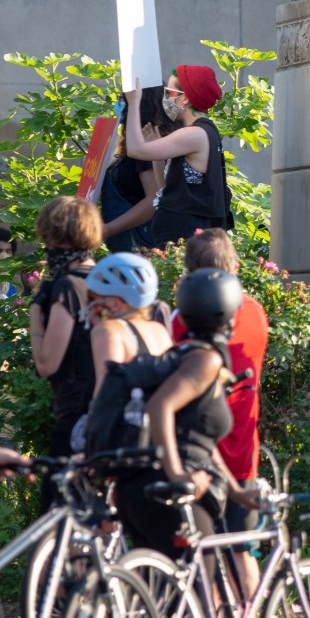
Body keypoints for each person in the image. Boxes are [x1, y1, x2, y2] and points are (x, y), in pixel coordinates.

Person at [115, 267, 258, 569]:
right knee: (204, 596)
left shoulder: (185, 356)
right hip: (171, 491)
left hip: (140, 489)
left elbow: (198, 440)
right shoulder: (205, 360)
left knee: (163, 602)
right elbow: (159, 407)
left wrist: (235, 492)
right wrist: (177, 474)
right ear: (228, 314)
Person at [171, 229, 268, 597]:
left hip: (197, 453)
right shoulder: (256, 313)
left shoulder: (181, 322)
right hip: (243, 450)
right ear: (235, 268)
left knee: (205, 556)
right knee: (243, 552)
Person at [28, 196, 102, 509]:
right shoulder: (106, 280)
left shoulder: (69, 287)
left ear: (58, 238)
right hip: (109, 419)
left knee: (56, 524)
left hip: (75, 419)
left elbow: (46, 363)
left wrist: (35, 309)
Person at [125, 65, 228, 247]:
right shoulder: (199, 132)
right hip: (179, 234)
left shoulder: (194, 134)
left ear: (185, 98)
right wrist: (156, 155)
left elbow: (135, 150)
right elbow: (165, 187)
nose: (165, 98)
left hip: (183, 237)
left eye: (170, 92)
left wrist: (134, 103)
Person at [86, 253, 171, 395]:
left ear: (115, 304)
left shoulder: (107, 331)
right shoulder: (160, 330)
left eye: (92, 298)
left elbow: (105, 396)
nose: (89, 305)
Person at [101, 87, 171, 251]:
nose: (120, 104)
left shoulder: (148, 143)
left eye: (124, 99)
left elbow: (153, 200)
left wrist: (107, 230)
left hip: (141, 242)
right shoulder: (135, 144)